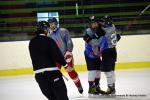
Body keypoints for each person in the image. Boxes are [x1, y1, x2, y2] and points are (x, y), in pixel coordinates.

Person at [29, 21, 70, 100]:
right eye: (48, 29)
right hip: (52, 73)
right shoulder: (49, 40)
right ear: (45, 29)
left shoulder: (31, 42)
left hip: (39, 76)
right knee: (62, 97)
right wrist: (65, 65)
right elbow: (57, 54)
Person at [47, 17, 83, 94]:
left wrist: (69, 52)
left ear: (56, 23)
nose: (52, 25)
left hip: (65, 55)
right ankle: (57, 90)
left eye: (53, 23)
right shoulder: (48, 35)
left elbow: (69, 41)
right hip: (56, 57)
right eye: (50, 24)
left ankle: (79, 85)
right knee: (55, 74)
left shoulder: (63, 31)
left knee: (70, 71)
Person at [83, 16, 106, 97]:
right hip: (89, 55)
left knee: (98, 71)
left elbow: (104, 40)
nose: (94, 25)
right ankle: (91, 88)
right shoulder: (87, 31)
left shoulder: (101, 31)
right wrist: (96, 36)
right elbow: (90, 41)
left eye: (95, 23)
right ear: (90, 24)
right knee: (92, 71)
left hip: (97, 54)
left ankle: (96, 86)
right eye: (92, 23)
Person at [99, 15, 121, 95]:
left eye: (104, 21)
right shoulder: (113, 27)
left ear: (108, 22)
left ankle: (111, 88)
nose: (102, 23)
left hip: (107, 51)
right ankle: (112, 87)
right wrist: (117, 37)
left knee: (108, 72)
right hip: (113, 51)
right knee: (111, 70)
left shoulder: (104, 30)